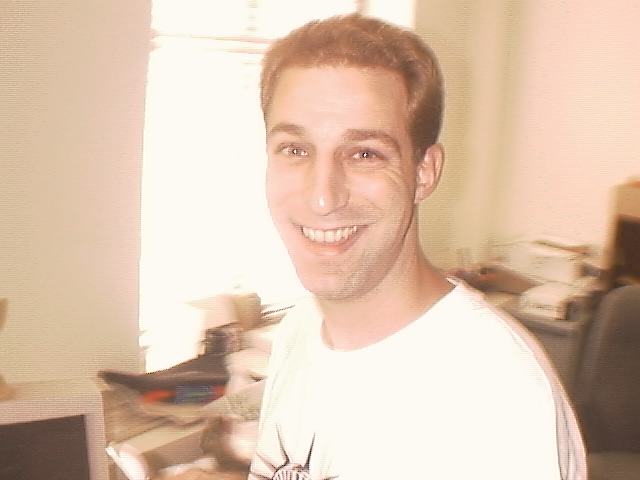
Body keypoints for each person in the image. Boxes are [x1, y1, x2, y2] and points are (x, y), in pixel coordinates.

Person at [247, 13, 587, 480]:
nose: (323, 198)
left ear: (424, 172)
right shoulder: (299, 332)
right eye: (295, 149)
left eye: (365, 154)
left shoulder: (493, 396)